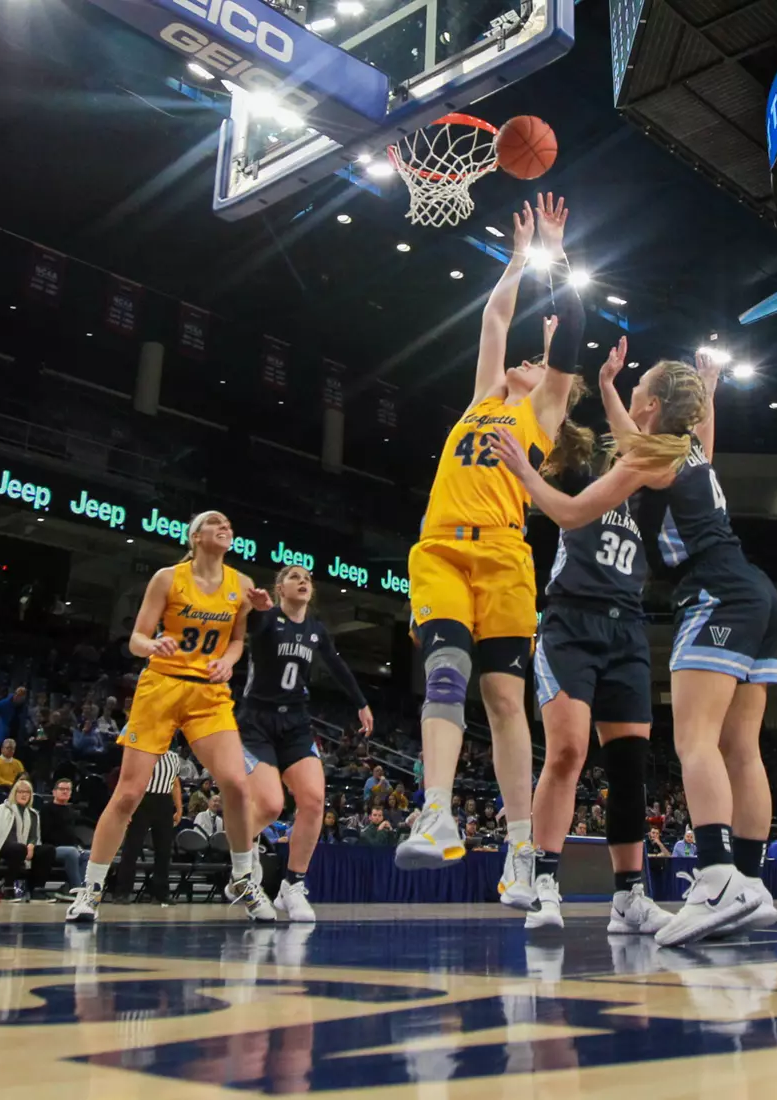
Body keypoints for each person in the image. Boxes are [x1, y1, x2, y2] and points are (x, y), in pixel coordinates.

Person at [495, 350, 777, 946]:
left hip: (714, 593)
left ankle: (716, 877)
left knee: (696, 740)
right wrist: (630, 387)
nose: (629, 401)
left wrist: (525, 472)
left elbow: (573, 510)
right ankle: (751, 885)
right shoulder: (684, 448)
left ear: (651, 405)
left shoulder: (655, 455)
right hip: (758, 592)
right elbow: (662, 433)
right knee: (741, 747)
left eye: (637, 392)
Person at [397, 193, 585, 920]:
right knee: (445, 672)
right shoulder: (484, 397)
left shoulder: (541, 412)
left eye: (539, 364)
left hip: (506, 556)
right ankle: (437, 812)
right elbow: (495, 320)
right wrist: (516, 259)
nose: (527, 363)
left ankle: (518, 849)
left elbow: (567, 336)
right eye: (525, 361)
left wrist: (558, 256)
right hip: (440, 549)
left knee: (507, 700)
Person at [514, 337, 666, 934]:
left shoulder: (651, 494)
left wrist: (708, 393)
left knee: (630, 764)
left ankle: (629, 896)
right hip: (570, 620)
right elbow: (562, 414)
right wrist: (591, 376)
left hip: (627, 626)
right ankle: (543, 881)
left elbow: (663, 446)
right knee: (570, 750)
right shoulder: (581, 471)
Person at [69, 510, 268, 923]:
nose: (226, 527)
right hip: (161, 686)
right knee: (127, 793)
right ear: (195, 535)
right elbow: (137, 639)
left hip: (209, 693)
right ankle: (90, 888)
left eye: (230, 524)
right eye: (216, 523)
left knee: (235, 783)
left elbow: (236, 642)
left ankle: (244, 879)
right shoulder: (167, 578)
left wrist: (229, 662)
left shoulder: (242, 584)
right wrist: (153, 645)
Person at [237, 564, 374, 923]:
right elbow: (249, 629)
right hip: (256, 723)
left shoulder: (315, 630)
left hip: (295, 723)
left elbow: (338, 666)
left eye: (307, 579)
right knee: (268, 805)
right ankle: (242, 860)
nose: (303, 582)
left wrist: (360, 703)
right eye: (295, 577)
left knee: (314, 801)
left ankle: (292, 886)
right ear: (279, 587)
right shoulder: (266, 619)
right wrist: (258, 608)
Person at [109, 748, 184, 905]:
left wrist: (179, 808)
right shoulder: (142, 753)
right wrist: (127, 808)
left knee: (164, 851)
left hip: (164, 802)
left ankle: (161, 893)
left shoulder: (174, 757)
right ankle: (122, 892)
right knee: (132, 848)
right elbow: (129, 781)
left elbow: (175, 783)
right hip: (142, 800)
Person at [0, 778, 54, 903]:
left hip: (24, 849)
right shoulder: (3, 809)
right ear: (14, 793)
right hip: (4, 847)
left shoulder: (33, 814)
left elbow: (35, 836)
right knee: (19, 848)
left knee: (48, 850)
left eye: (27, 792)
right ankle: (7, 888)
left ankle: (36, 890)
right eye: (21, 792)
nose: (24, 795)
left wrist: (31, 845)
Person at [40, 777, 89, 902]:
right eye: (62, 789)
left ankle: (80, 889)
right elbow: (45, 834)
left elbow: (71, 834)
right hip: (51, 848)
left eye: (68, 790)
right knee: (72, 852)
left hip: (70, 848)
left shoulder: (71, 811)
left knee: (87, 854)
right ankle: (77, 890)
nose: (65, 792)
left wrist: (79, 846)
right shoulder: (46, 809)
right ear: (54, 792)